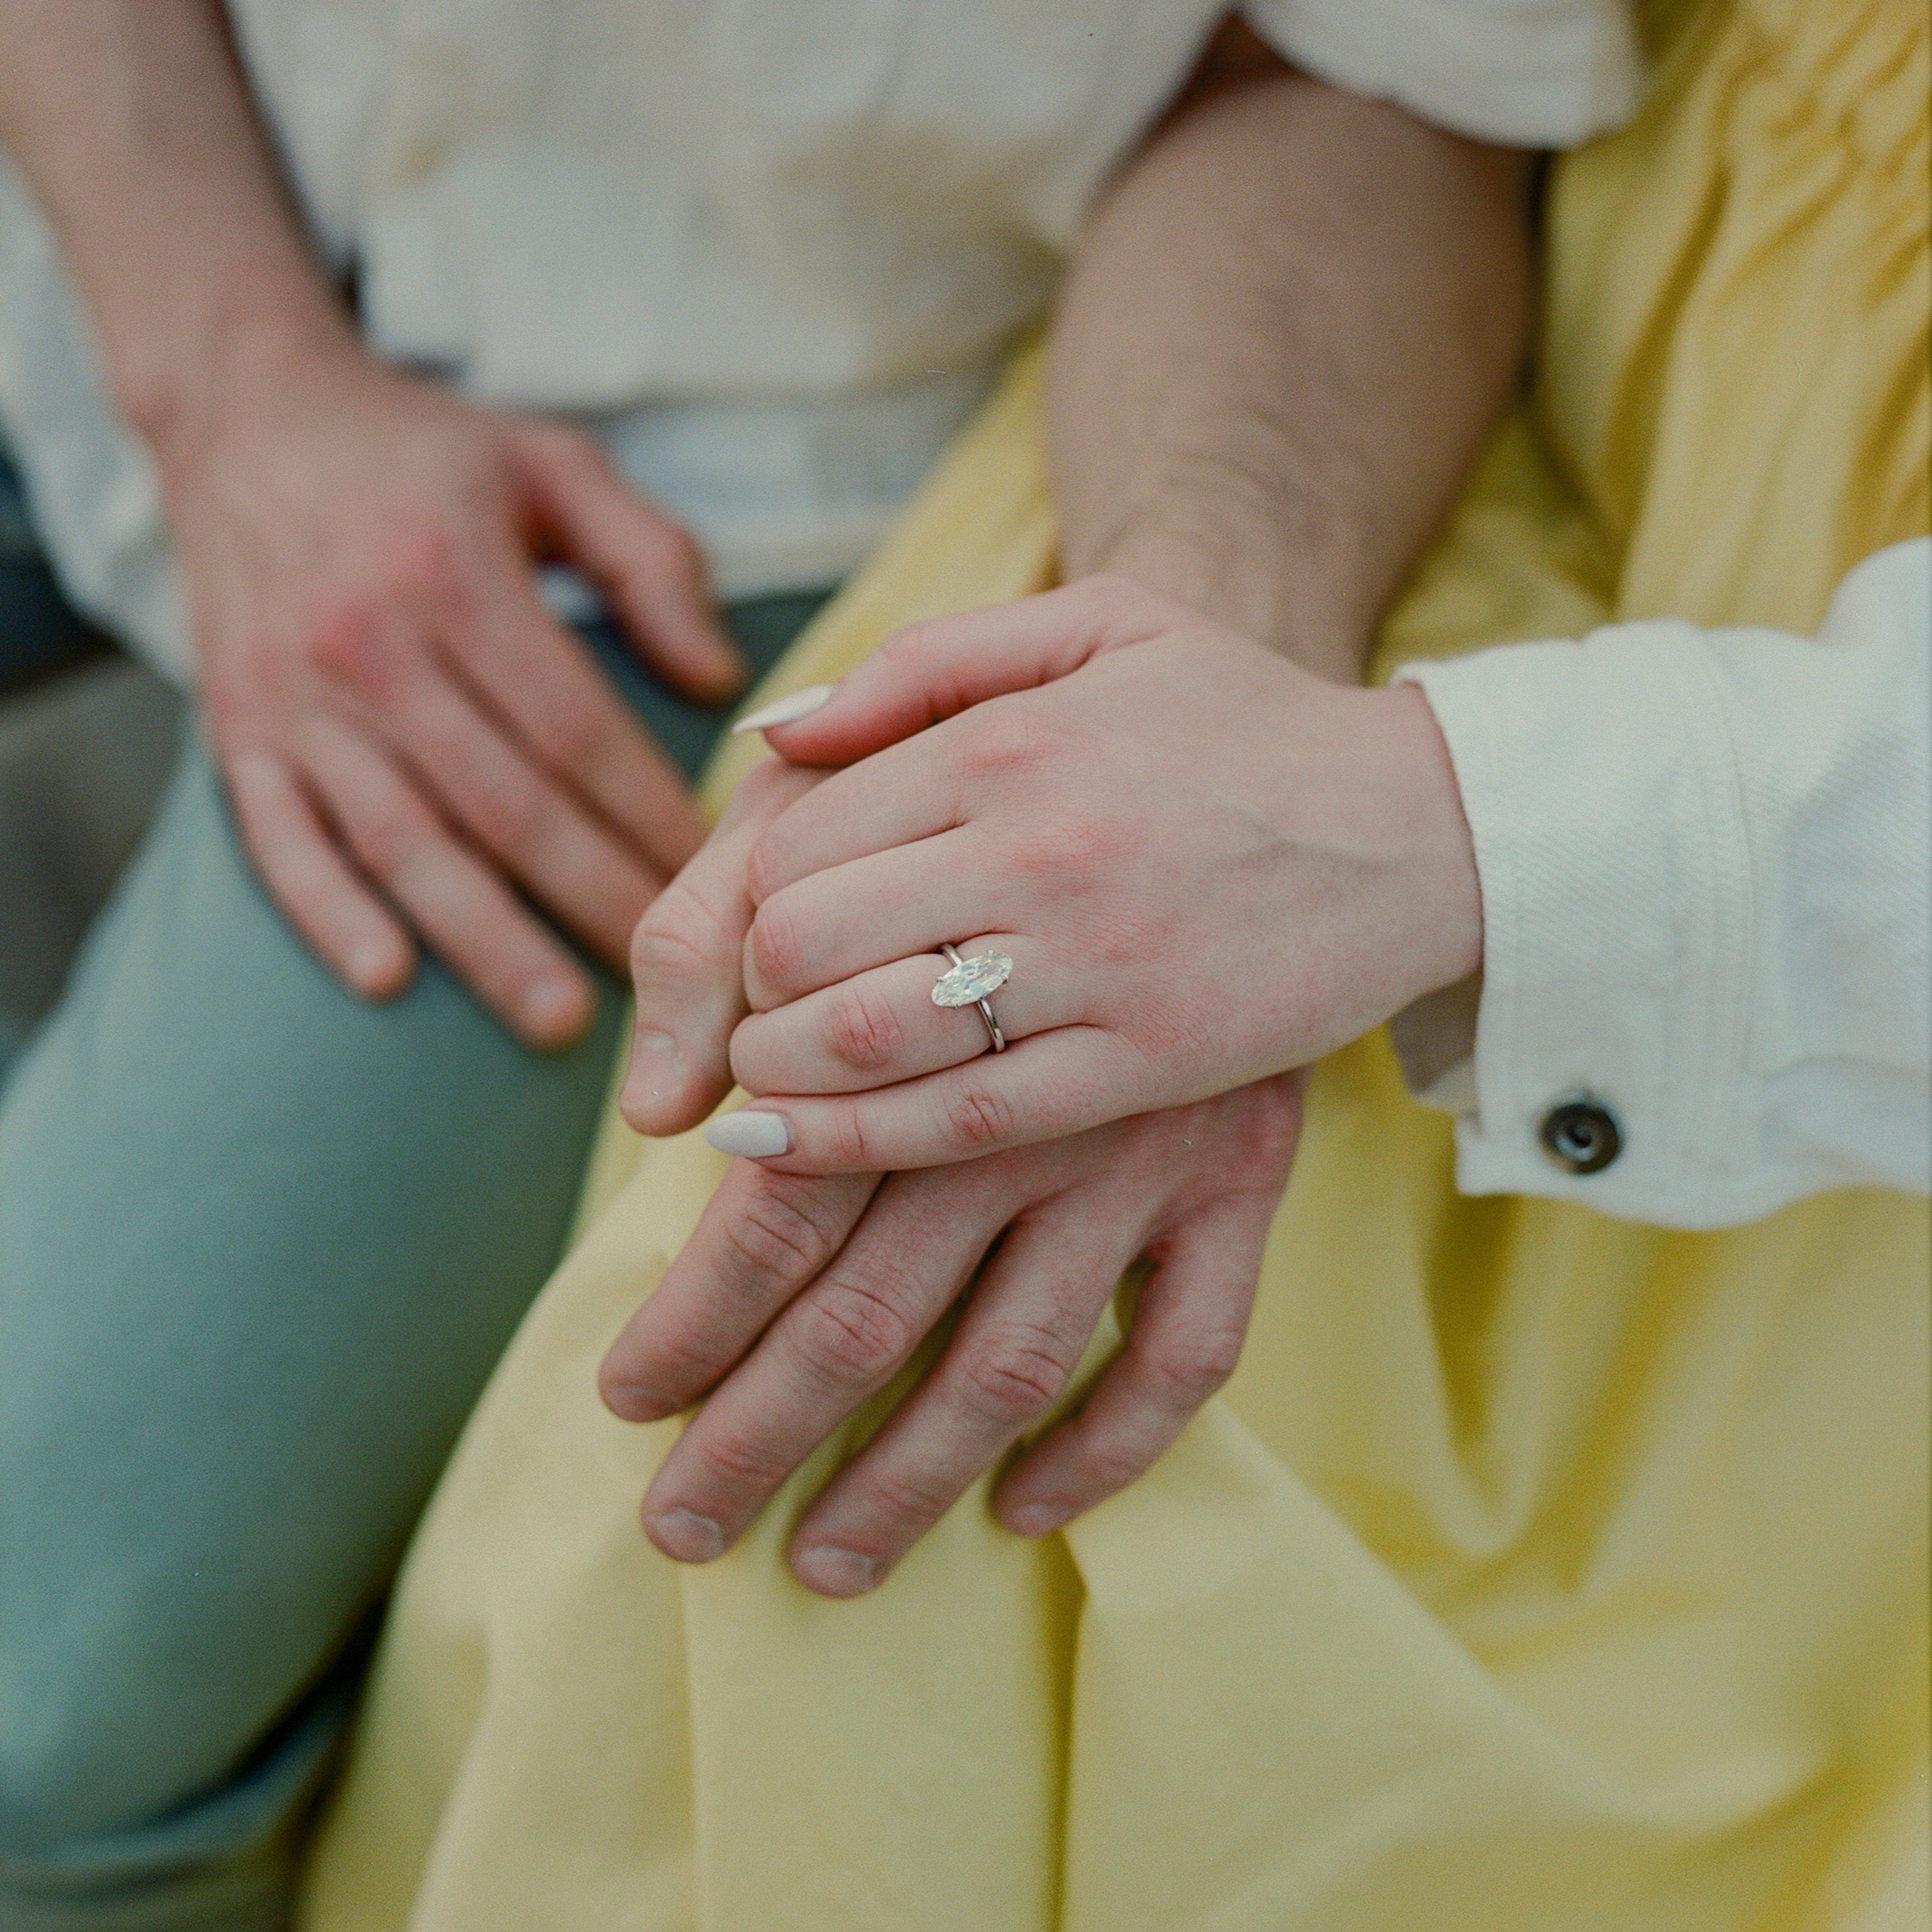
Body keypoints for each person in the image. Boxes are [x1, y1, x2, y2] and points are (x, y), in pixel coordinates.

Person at [0, 2, 1645, 1927]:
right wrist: (234, 386)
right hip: (113, 267)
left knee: (44, 1724)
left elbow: (1387, 77)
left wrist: (1176, 720)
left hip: (822, 479)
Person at [294, 0, 1928, 1925]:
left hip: (1813, 945)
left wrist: (1437, 834)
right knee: (772, 1377)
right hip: (1359, 417)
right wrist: (1171, 713)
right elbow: (1362, 73)